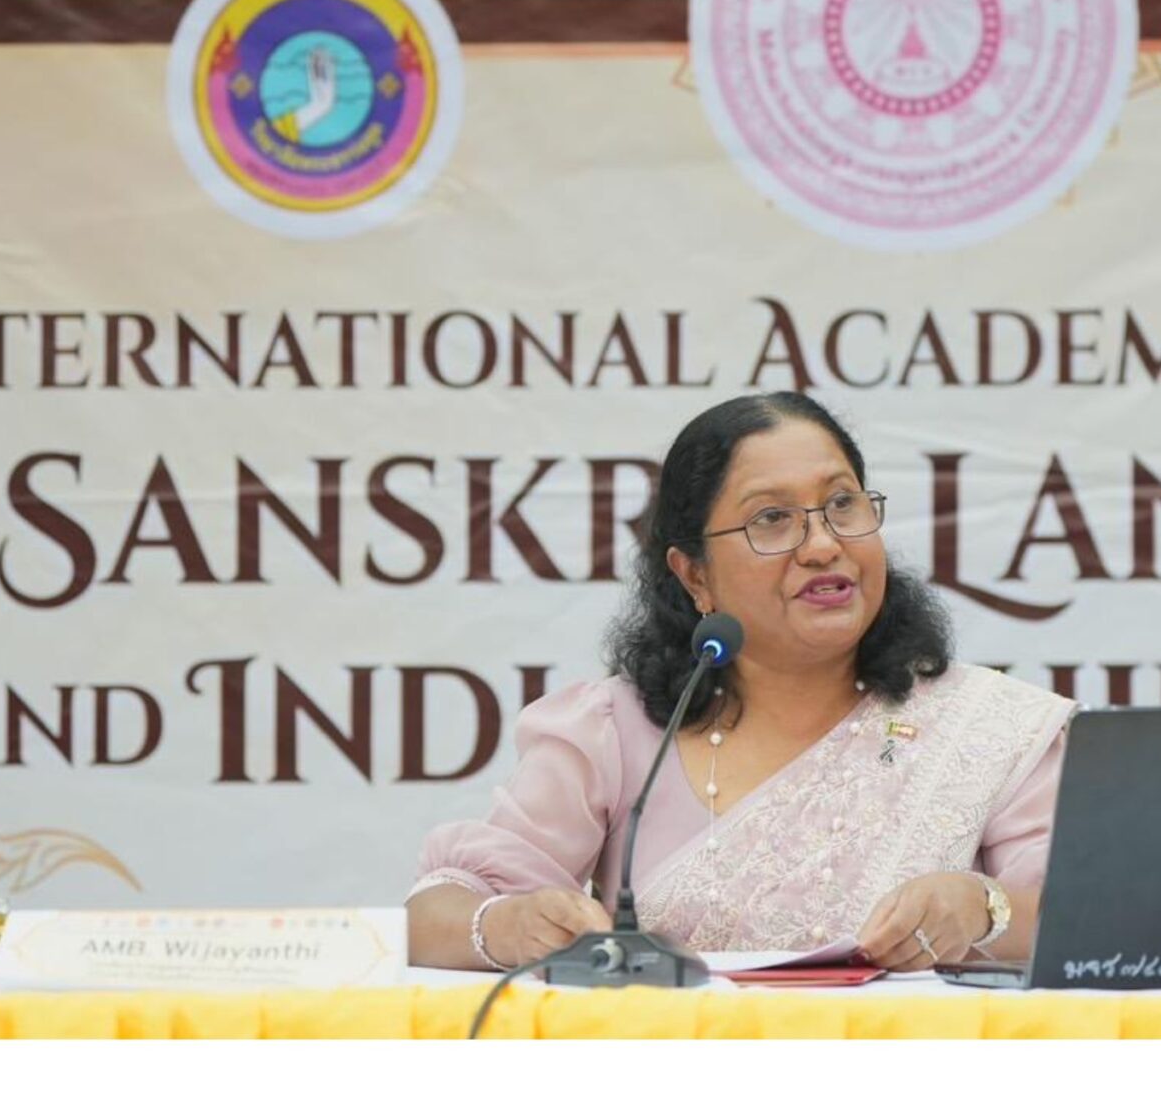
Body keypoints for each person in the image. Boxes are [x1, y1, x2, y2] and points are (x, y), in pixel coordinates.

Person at [404, 392, 1071, 969]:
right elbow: (434, 913)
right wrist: (508, 926)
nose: (822, 544)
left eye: (842, 504)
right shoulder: (614, 728)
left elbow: (1089, 917)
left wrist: (984, 909)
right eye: (771, 519)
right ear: (695, 575)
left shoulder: (986, 728)